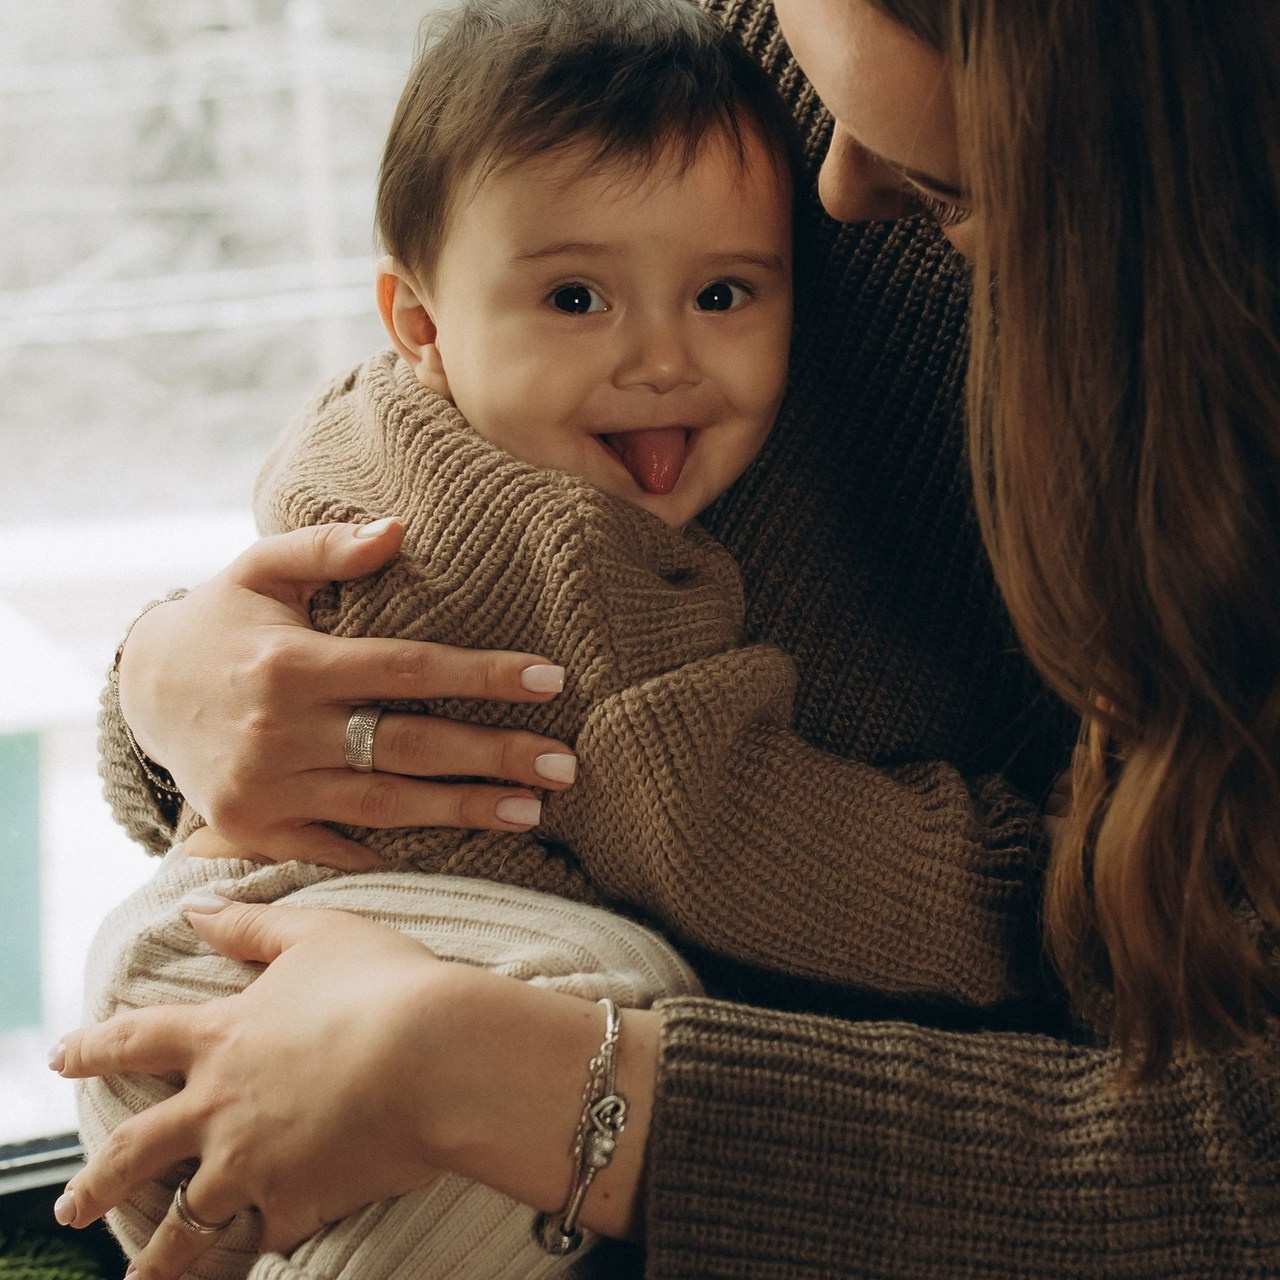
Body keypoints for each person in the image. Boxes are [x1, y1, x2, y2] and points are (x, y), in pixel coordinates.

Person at [52, 0, 1280, 1278]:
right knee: (609, 983)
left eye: (722, 293)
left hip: (258, 962)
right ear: (416, 324)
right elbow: (725, 823)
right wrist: (162, 685)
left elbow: (1236, 1161)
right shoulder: (580, 558)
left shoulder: (399, 403)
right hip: (276, 958)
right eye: (577, 298)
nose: (835, 187)